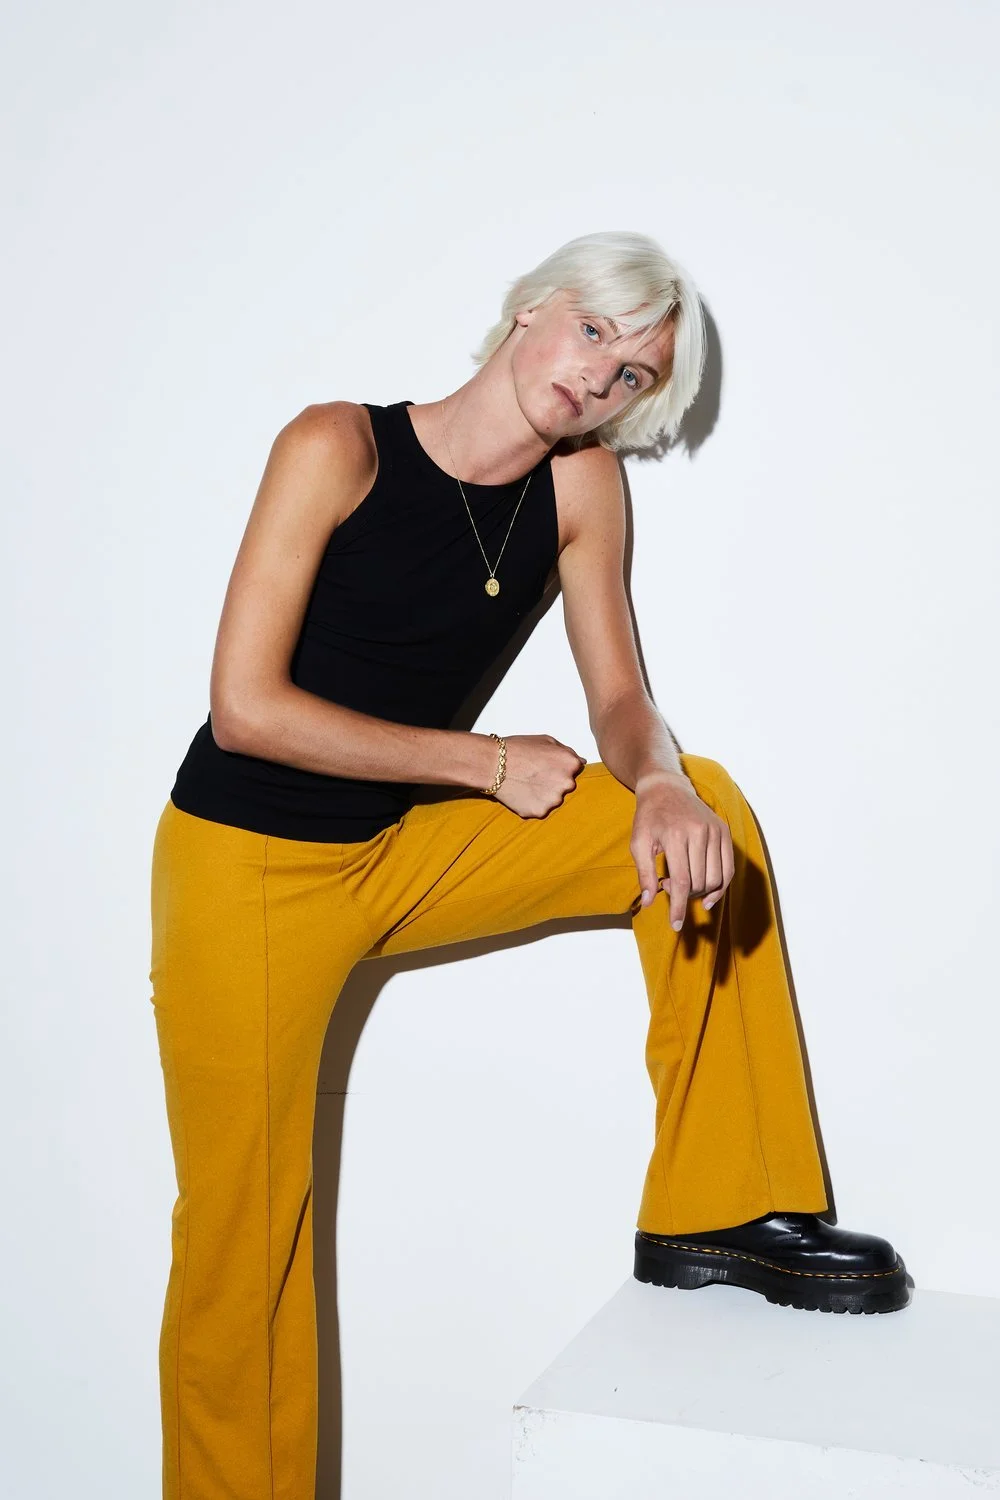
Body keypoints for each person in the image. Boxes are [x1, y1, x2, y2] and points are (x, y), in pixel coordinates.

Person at [148, 229, 910, 1499]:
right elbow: (244, 708)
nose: (601, 377)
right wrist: (483, 761)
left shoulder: (581, 488)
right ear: (531, 310)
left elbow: (620, 698)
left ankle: (718, 1206)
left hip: (399, 848)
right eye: (596, 332)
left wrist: (653, 776)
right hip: (248, 870)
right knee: (244, 1240)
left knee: (700, 808)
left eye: (634, 374)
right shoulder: (336, 447)